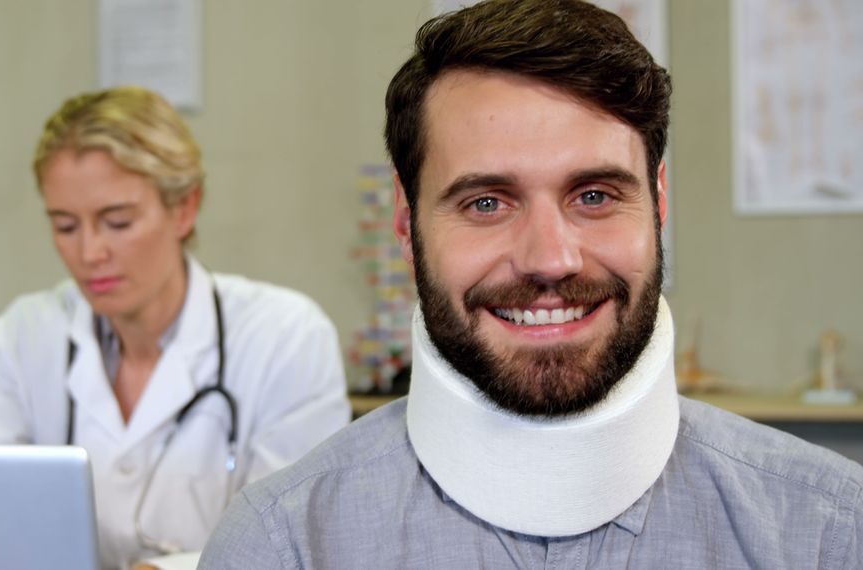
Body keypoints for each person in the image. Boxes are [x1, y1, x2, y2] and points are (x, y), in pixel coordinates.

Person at [198, 1, 863, 567]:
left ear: (658, 203)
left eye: (595, 195)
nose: (550, 259)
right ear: (406, 223)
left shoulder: (830, 534)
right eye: (486, 203)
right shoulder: (282, 546)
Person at [0, 86, 351, 570]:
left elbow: (293, 544)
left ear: (184, 208)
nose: (89, 253)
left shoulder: (285, 337)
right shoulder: (21, 336)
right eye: (64, 226)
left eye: (117, 222)